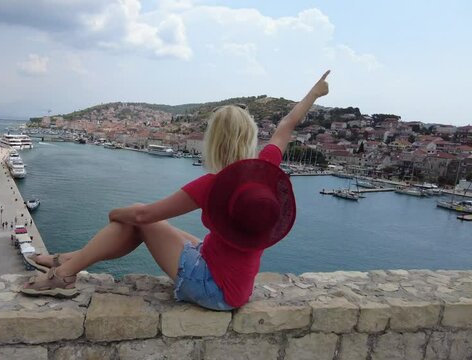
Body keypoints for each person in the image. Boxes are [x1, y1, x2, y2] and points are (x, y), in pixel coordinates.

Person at [22, 71, 331, 310]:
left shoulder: (214, 184)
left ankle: (64, 275)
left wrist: (114, 213)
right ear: (250, 138)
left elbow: (145, 214)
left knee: (138, 221)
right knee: (160, 227)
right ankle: (65, 260)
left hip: (213, 288)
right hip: (238, 286)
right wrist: (314, 93)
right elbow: (286, 126)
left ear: (214, 140)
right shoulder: (265, 172)